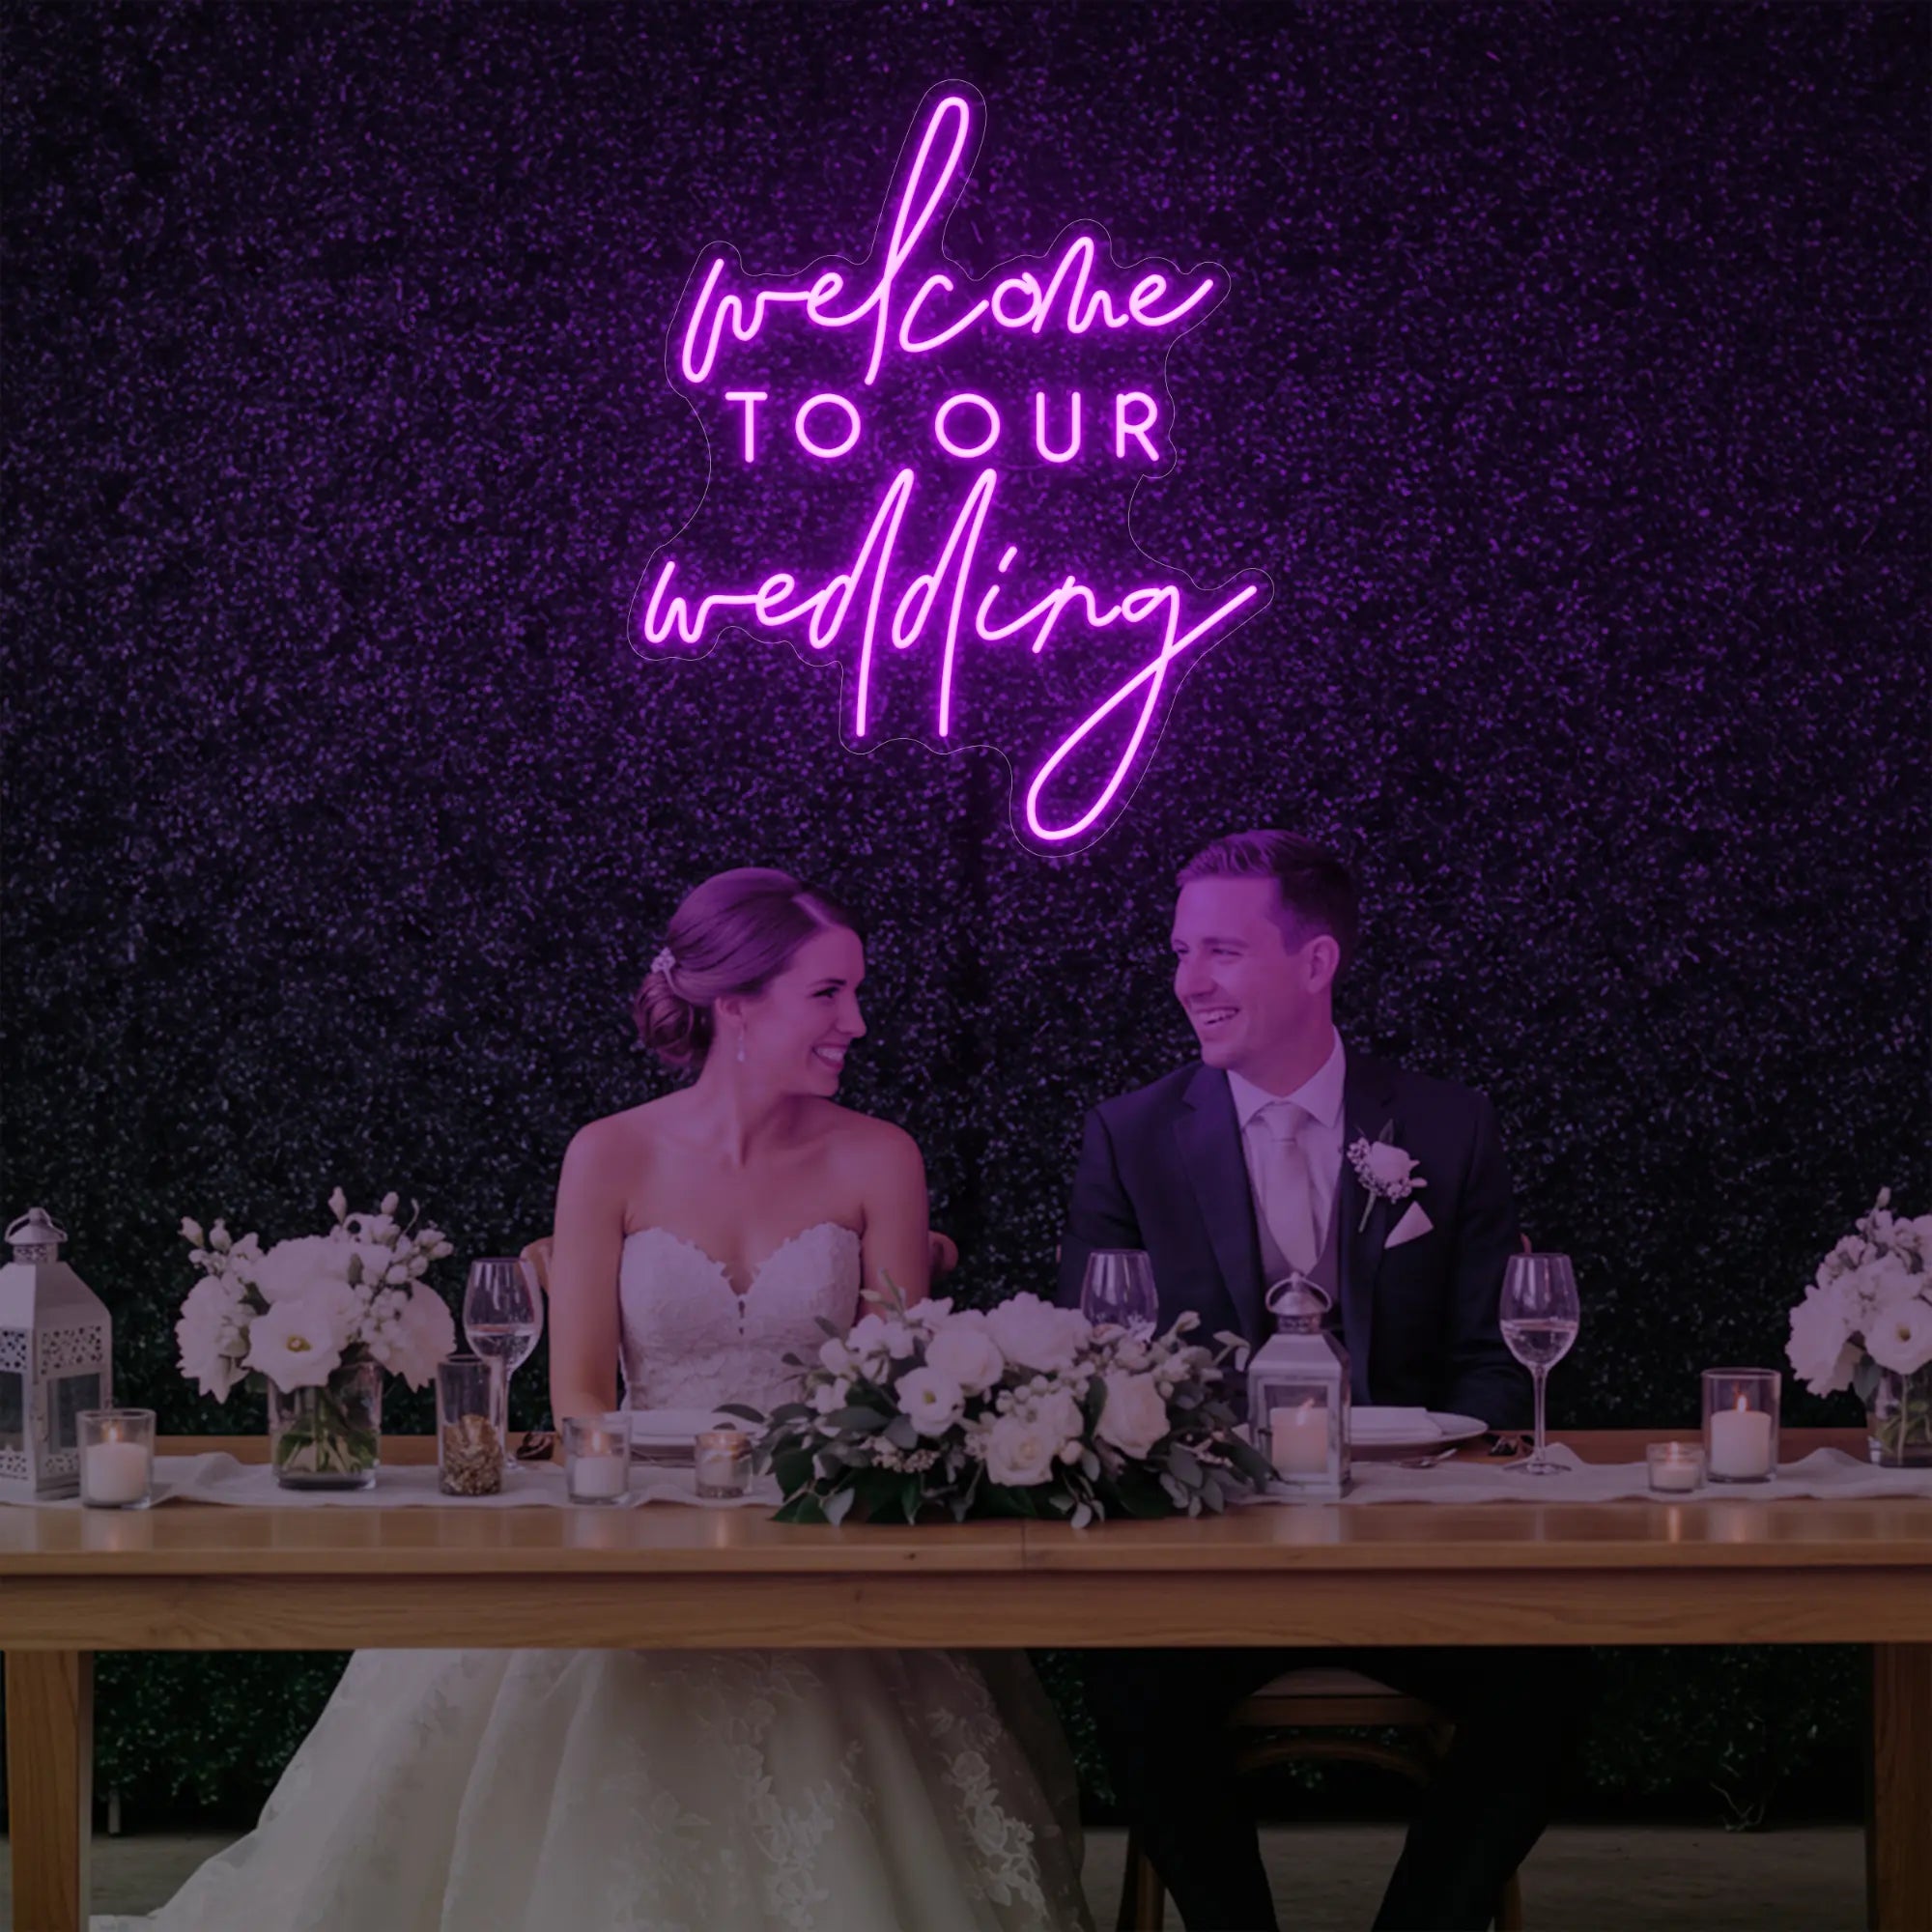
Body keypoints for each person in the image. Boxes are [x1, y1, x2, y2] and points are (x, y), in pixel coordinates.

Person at [103, 868, 1090, 1932]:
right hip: (630, 1510)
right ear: (736, 1004)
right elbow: (578, 1388)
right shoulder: (610, 1152)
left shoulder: (881, 1156)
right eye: (827, 993)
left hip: (810, 1526)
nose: (856, 1020)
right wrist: (641, 1508)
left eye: (854, 991)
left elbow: (891, 1388)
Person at [1058, 830, 1589, 1932]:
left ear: (1315, 962)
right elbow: (1099, 1367)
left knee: (1551, 1681)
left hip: (1414, 1552)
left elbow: (1494, 1357)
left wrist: (1420, 1482)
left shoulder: (1444, 1125)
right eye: (1180, 952)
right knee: (1130, 1682)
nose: (1187, 983)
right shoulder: (1130, 1136)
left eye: (1220, 951)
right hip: (1210, 1564)